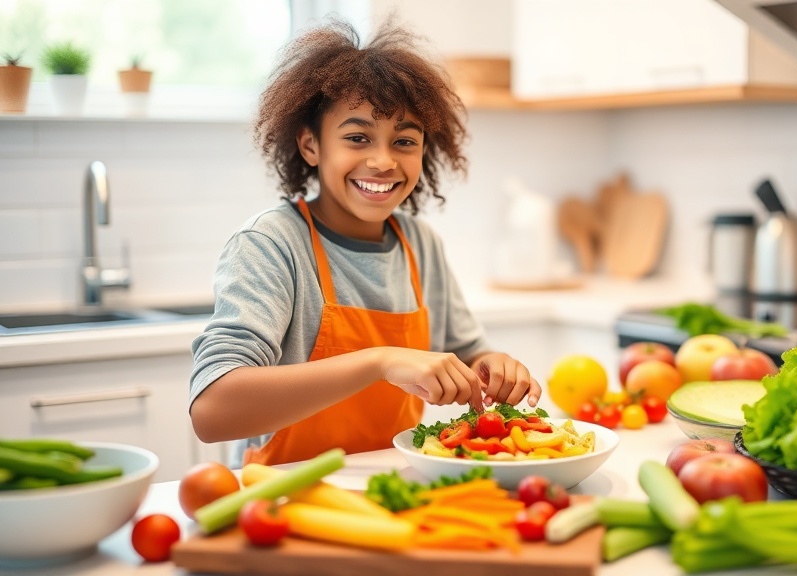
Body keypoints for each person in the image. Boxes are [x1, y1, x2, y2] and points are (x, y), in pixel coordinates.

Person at [188, 15, 542, 467]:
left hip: (392, 484)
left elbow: (468, 354)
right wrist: (378, 362)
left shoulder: (420, 244)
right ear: (311, 145)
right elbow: (213, 410)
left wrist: (493, 364)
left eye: (405, 141)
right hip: (282, 497)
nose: (382, 161)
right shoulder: (271, 245)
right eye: (357, 137)